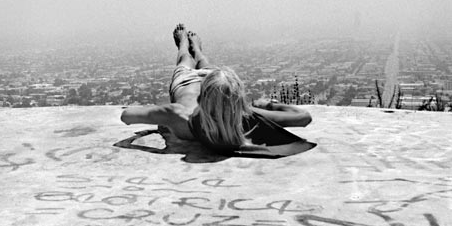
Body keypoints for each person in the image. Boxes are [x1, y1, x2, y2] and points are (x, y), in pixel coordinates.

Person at [120, 24, 315, 157]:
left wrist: (158, 124)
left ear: (203, 97)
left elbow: (127, 116)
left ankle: (185, 46)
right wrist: (267, 105)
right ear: (237, 100)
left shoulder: (179, 115)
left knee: (185, 60)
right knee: (204, 64)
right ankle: (192, 46)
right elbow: (303, 117)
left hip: (187, 83)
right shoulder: (244, 116)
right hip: (212, 81)